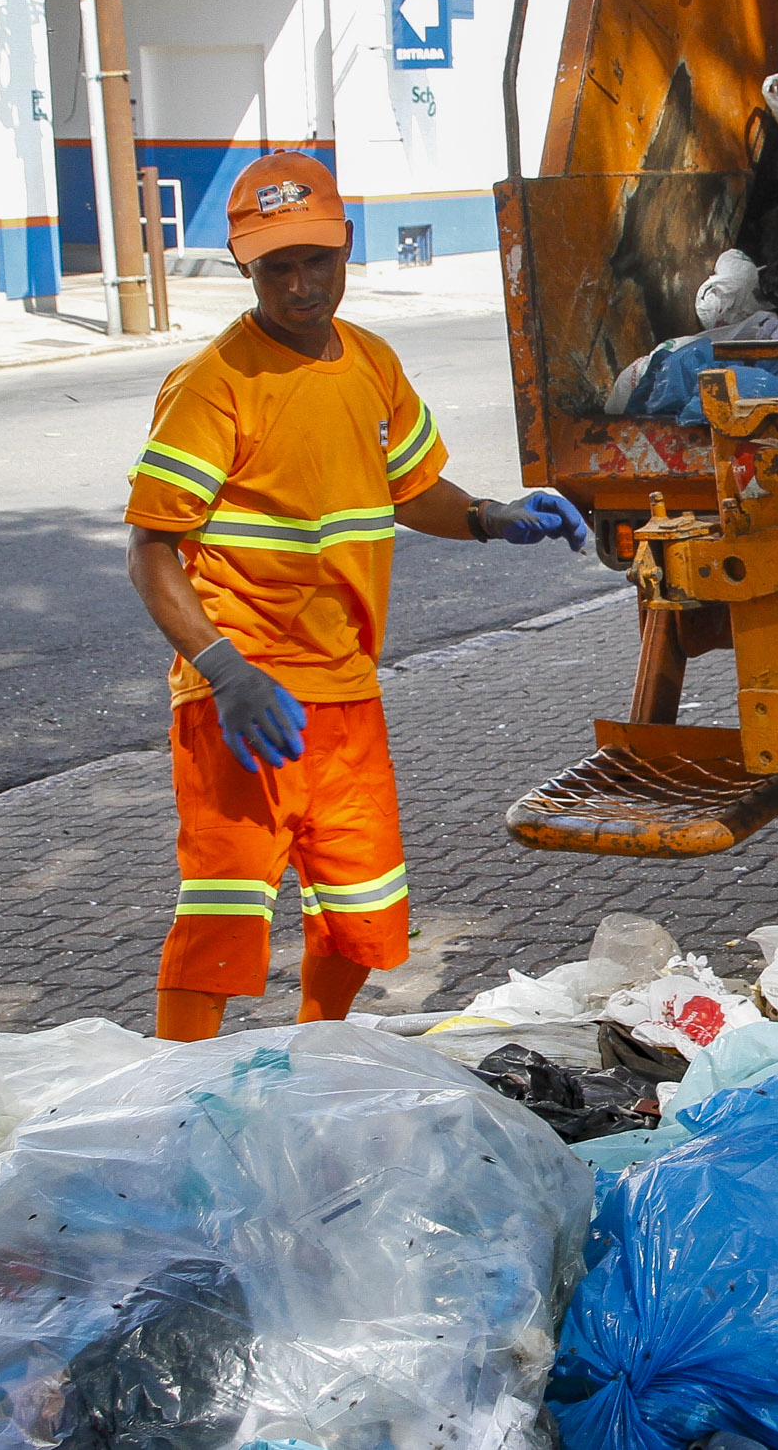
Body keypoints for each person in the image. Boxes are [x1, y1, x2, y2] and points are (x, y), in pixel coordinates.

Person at [125, 150, 588, 1042]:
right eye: (276, 267)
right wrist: (224, 671)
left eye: (315, 260)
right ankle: (174, 1091)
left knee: (359, 904)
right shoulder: (213, 384)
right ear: (244, 268)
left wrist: (494, 516)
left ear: (345, 250)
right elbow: (151, 552)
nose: (299, 285)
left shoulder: (372, 363)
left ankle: (315, 1056)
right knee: (223, 913)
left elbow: (410, 488)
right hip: (243, 703)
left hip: (344, 694)